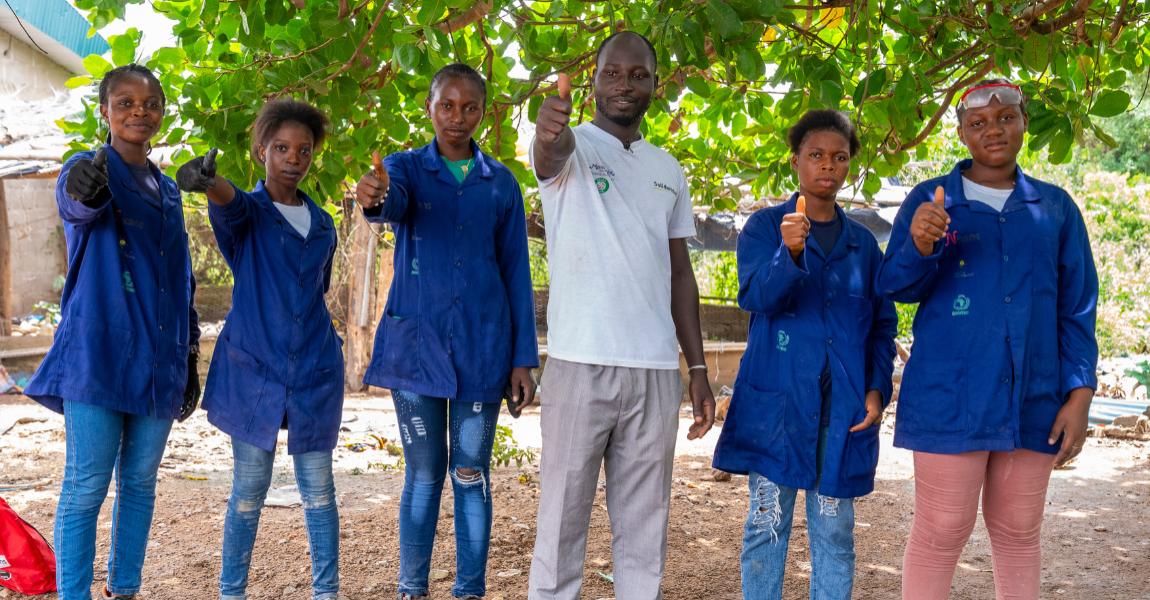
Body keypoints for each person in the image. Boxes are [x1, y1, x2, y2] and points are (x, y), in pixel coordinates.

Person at [876, 79, 1098, 600]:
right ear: (960, 134)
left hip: (1036, 398)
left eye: (1005, 118)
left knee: (1020, 534)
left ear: (1024, 124)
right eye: (977, 123)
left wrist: (1080, 396)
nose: (992, 130)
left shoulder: (1056, 209)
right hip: (949, 397)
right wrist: (919, 243)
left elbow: (1078, 307)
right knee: (941, 531)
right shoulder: (931, 201)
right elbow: (896, 287)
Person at [527, 31, 717, 600]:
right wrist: (546, 131)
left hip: (655, 372)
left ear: (656, 86)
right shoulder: (571, 146)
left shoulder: (668, 169)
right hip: (579, 365)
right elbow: (547, 156)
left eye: (639, 75)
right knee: (561, 520)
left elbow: (680, 275)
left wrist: (699, 369)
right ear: (593, 83)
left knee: (644, 528)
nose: (625, 85)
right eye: (613, 73)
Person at [354, 63, 538, 600]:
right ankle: (412, 587)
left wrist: (522, 358)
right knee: (424, 473)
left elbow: (516, 273)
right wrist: (374, 197)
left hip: (484, 350)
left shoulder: (500, 182)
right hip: (416, 351)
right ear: (430, 108)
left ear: (484, 112)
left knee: (471, 474)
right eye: (446, 106)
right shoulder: (405, 169)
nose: (457, 118)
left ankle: (469, 588)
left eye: (470, 107)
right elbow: (390, 204)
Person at [23, 63, 201, 600]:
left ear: (162, 114)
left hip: (159, 362)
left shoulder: (169, 191)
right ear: (104, 111)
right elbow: (78, 207)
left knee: (140, 486)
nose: (138, 112)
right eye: (124, 103)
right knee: (85, 488)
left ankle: (124, 588)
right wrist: (85, 191)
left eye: (149, 104)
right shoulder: (85, 168)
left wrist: (189, 356)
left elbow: (181, 279)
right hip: (98, 357)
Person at [711, 110, 897, 600]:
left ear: (849, 165)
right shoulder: (765, 228)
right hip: (780, 405)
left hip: (844, 411)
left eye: (839, 157)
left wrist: (878, 389)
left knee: (835, 532)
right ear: (795, 161)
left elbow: (882, 325)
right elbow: (755, 297)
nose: (827, 166)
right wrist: (788, 255)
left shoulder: (863, 245)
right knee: (767, 525)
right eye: (816, 155)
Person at [176, 100, 344, 600]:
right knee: (248, 491)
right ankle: (232, 592)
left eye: (304, 150)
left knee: (319, 491)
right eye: (281, 148)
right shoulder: (247, 215)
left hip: (316, 370)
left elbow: (315, 292)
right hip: (253, 370)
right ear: (261, 152)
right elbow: (230, 202)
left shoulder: (323, 226)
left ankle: (327, 592)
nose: (294, 158)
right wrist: (209, 179)